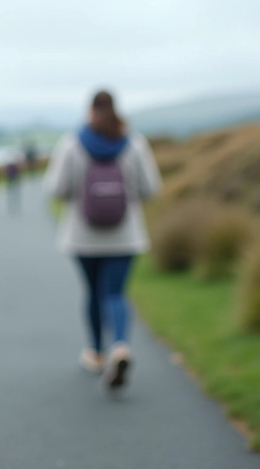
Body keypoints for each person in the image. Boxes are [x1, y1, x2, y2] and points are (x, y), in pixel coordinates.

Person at [43, 89, 162, 390]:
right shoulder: (134, 143)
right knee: (116, 293)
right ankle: (119, 345)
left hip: (83, 236)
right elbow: (151, 188)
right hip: (125, 234)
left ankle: (95, 353)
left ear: (89, 111)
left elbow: (56, 189)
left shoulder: (72, 144)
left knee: (93, 292)